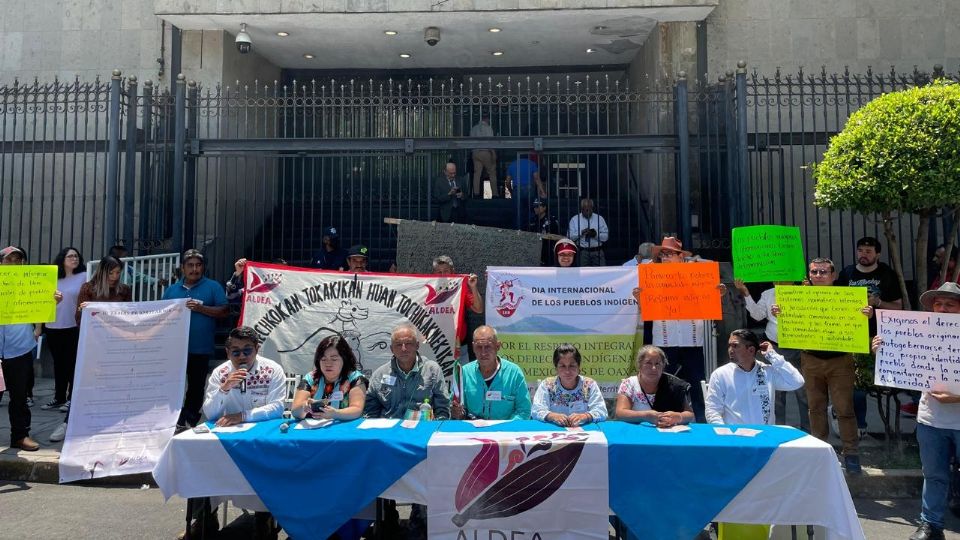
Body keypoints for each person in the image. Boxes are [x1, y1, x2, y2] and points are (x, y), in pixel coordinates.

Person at [873, 283, 960, 540]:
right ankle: (931, 526)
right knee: (933, 475)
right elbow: (902, 368)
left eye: (950, 304)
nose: (942, 309)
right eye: (938, 304)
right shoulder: (918, 333)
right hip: (931, 420)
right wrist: (884, 350)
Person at [182, 326, 286, 540]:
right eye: (235, 352)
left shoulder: (272, 369)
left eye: (247, 350)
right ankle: (204, 519)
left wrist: (243, 416)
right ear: (228, 353)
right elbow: (210, 412)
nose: (242, 357)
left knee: (271, 466)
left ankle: (264, 518)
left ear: (257, 349)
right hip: (228, 438)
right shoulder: (220, 373)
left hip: (261, 437)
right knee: (200, 460)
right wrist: (225, 388)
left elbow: (277, 408)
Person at [772, 257, 874, 475]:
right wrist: (780, 312)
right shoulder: (796, 298)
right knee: (815, 408)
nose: (818, 276)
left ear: (833, 275)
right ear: (809, 274)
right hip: (810, 360)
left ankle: (851, 453)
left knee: (844, 408)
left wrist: (867, 313)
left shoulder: (847, 298)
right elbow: (787, 321)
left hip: (840, 360)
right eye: (814, 272)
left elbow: (862, 321)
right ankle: (819, 450)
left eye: (823, 272)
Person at [639, 236, 723, 423]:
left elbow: (711, 268)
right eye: (663, 254)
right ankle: (663, 420)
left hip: (691, 339)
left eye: (670, 253)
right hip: (665, 339)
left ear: (680, 256)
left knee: (696, 383)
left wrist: (718, 293)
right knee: (664, 383)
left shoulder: (696, 272)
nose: (666, 257)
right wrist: (639, 298)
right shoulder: (653, 275)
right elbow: (646, 307)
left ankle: (701, 422)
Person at [50, 256, 133, 443]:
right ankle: (68, 422)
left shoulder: (124, 290)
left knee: (114, 385)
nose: (114, 276)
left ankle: (111, 423)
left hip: (116, 344)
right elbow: (78, 318)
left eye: (118, 272)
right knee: (83, 385)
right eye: (111, 272)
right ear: (103, 271)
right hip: (93, 345)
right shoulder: (88, 288)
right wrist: (86, 310)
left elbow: (128, 315)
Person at [0, 246, 62, 451]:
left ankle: (20, 436)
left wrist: (52, 301)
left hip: (20, 347)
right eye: (9, 260)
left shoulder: (31, 283)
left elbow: (40, 309)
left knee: (19, 397)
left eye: (18, 260)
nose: (14, 264)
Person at [162, 249, 229, 429]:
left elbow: (224, 311)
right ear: (182, 268)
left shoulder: (213, 287)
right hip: (175, 348)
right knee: (172, 384)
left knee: (196, 386)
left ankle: (189, 418)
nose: (194, 269)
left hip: (200, 347)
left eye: (198, 265)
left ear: (203, 268)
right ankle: (172, 417)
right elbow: (162, 315)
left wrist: (201, 309)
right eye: (190, 265)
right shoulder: (171, 290)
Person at [733, 278, 809, 431]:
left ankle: (808, 431)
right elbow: (757, 315)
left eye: (783, 280)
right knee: (776, 394)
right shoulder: (768, 294)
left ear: (792, 280)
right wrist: (746, 293)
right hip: (774, 347)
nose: (778, 283)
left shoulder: (804, 293)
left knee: (803, 392)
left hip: (800, 348)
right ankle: (778, 431)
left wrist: (806, 293)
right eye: (776, 280)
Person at [705, 329, 805, 425]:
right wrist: (724, 434)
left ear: (751, 350)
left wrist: (772, 355)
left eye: (735, 346)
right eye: (729, 346)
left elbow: (797, 381)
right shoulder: (720, 374)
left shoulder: (767, 372)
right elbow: (712, 410)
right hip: (735, 437)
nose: (730, 350)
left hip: (764, 437)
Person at [363, 323, 451, 420]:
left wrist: (435, 428)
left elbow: (443, 408)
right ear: (392, 349)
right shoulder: (380, 375)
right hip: (389, 431)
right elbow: (370, 411)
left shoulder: (432, 370)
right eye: (398, 345)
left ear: (417, 345)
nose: (403, 349)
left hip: (421, 429)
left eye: (408, 343)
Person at [451, 325, 531, 421]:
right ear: (473, 347)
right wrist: (456, 412)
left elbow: (524, 411)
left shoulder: (514, 373)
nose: (483, 352)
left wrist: (503, 429)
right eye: (479, 347)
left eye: (488, 347)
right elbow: (454, 407)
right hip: (472, 432)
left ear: (497, 346)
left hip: (505, 433)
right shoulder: (463, 373)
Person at [41, 247, 86, 414]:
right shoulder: (53, 278)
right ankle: (59, 397)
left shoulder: (84, 276)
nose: (74, 259)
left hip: (73, 326)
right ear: (62, 259)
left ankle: (71, 398)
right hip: (52, 326)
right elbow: (42, 303)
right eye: (70, 256)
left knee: (72, 363)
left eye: (76, 256)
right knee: (58, 364)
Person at [291, 335, 368, 421]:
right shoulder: (310, 378)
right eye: (323, 359)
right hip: (312, 430)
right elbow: (295, 412)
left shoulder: (355, 379)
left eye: (334, 359)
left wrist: (335, 414)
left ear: (345, 359)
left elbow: (357, 410)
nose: (328, 364)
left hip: (344, 429)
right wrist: (304, 406)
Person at [614, 345, 694, 428]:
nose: (653, 368)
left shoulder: (674, 385)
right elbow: (620, 413)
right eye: (648, 363)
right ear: (640, 365)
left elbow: (690, 414)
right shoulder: (629, 384)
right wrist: (645, 416)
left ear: (663, 366)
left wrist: (678, 417)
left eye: (657, 364)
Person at [531, 344, 607, 426]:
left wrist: (585, 416)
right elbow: (536, 410)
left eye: (572, 366)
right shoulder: (547, 385)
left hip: (583, 432)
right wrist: (552, 416)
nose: (567, 371)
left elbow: (601, 411)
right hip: (554, 432)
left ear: (578, 366)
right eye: (562, 366)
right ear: (556, 368)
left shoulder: (589, 384)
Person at [432, 256, 482, 362]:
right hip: (434, 346)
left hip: (458, 347)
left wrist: (473, 287)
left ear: (452, 272)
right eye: (439, 272)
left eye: (446, 271)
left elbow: (479, 309)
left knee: (460, 378)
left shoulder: (460, 288)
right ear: (434, 273)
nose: (442, 275)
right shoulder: (426, 290)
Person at [567, 198, 609, 266]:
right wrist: (581, 233)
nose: (588, 211)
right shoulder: (575, 219)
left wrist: (596, 234)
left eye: (590, 209)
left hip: (597, 251)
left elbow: (606, 237)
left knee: (601, 273)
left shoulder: (599, 219)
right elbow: (569, 237)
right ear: (581, 209)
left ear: (592, 208)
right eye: (586, 209)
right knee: (582, 274)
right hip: (583, 252)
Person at [470, 114, 498, 198]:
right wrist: (493, 153)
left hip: (475, 152)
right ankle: (495, 194)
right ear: (487, 119)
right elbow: (490, 141)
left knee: (477, 174)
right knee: (492, 172)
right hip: (485, 152)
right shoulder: (488, 128)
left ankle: (476, 193)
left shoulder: (474, 128)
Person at [528, 198, 561, 266]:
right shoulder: (532, 220)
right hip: (534, 251)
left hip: (548, 251)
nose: (535, 208)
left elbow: (558, 237)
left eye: (537, 206)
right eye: (534, 207)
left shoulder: (552, 220)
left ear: (544, 207)